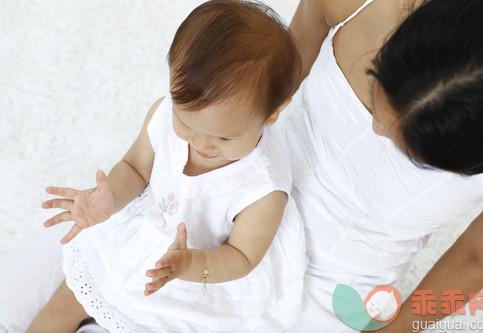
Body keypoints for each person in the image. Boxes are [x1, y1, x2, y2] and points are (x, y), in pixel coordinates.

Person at [24, 0, 306, 332]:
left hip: (200, 274)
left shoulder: (264, 187)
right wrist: (111, 198)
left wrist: (190, 266)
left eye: (224, 139)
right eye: (186, 124)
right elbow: (135, 168)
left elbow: (241, 259)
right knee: (63, 303)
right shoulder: (163, 115)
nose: (201, 145)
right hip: (141, 232)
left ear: (273, 113)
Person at [283, 0, 483, 331]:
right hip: (246, 185)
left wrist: (396, 329)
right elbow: (274, 79)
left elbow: (476, 257)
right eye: (375, 85)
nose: (376, 128)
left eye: (412, 154)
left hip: (334, 292)